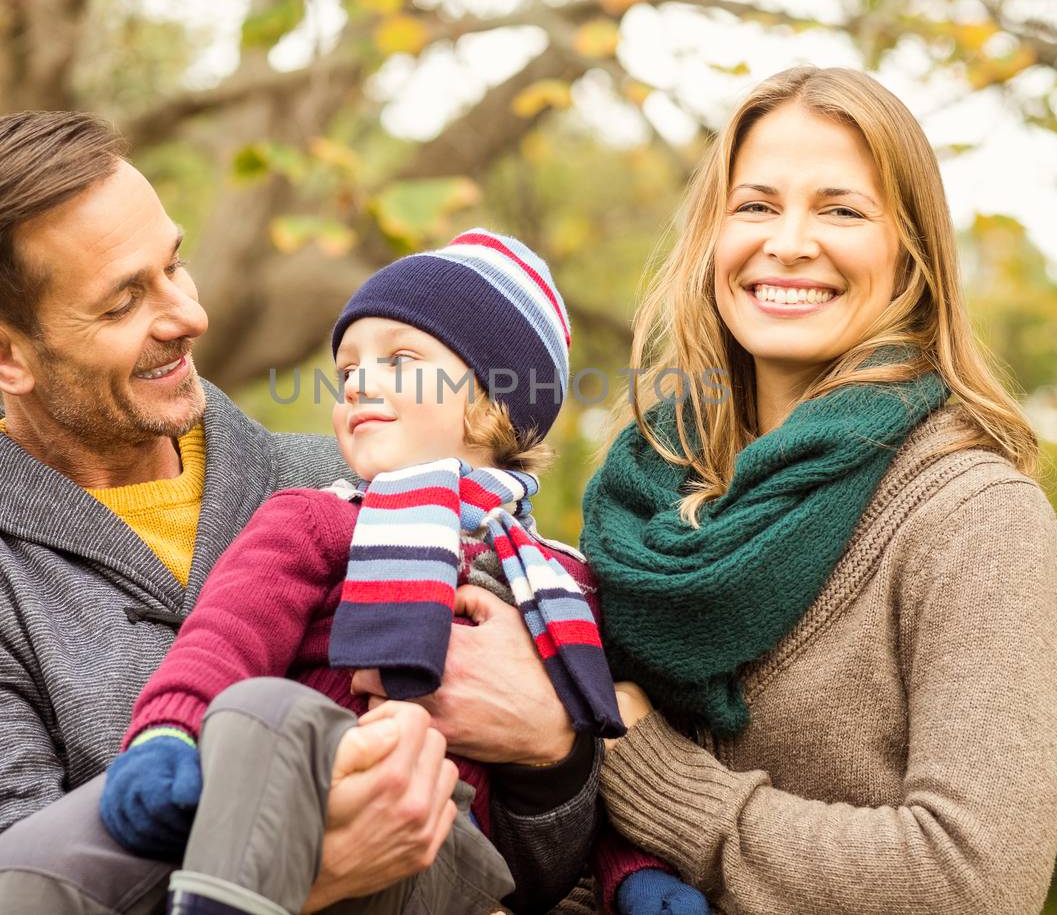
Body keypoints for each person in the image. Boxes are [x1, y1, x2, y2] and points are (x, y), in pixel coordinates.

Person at [0, 112, 600, 915]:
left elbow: (555, 873)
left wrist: (549, 753)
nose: (187, 316)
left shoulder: (363, 491)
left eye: (176, 265)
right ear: (1, 353)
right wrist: (305, 873)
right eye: (123, 301)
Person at [574, 66, 1057, 914]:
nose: (790, 241)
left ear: (910, 252)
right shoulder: (645, 496)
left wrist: (649, 770)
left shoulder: (974, 518)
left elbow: (976, 883)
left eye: (840, 209)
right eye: (757, 205)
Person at [92, 229, 702, 915]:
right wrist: (167, 732)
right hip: (321, 807)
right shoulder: (321, 519)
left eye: (400, 359)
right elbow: (229, 631)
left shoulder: (559, 579)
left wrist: (635, 871)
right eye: (347, 369)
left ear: (494, 398)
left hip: (469, 863)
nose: (358, 385)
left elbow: (600, 750)